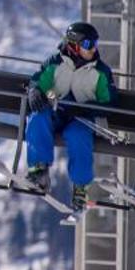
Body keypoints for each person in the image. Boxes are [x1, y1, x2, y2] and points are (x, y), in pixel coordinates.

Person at [24, 20, 115, 209]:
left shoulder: (100, 72)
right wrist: (35, 91)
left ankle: (81, 187)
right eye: (88, 45)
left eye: (95, 45)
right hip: (56, 112)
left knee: (78, 136)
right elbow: (38, 81)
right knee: (37, 118)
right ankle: (39, 169)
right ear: (73, 44)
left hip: (80, 118)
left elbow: (109, 102)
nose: (92, 50)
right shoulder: (55, 63)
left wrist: (87, 108)